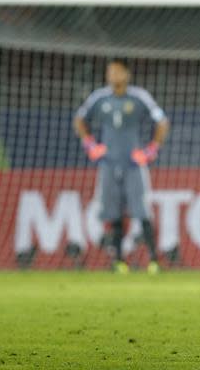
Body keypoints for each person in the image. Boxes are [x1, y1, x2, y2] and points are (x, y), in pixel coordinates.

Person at [73, 59, 170, 274]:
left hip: (134, 165)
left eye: (117, 71)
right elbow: (79, 119)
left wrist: (151, 150)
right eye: (110, 72)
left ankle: (154, 260)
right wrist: (91, 145)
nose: (113, 75)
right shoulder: (99, 98)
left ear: (126, 74)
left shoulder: (139, 97)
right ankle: (118, 261)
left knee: (142, 210)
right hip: (108, 164)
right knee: (113, 212)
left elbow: (162, 121)